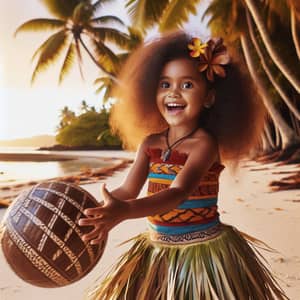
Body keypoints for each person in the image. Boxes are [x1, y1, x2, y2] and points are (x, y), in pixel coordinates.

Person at [78, 31, 289, 299]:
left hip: (203, 254)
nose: (173, 93)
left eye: (187, 85)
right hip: (157, 250)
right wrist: (99, 210)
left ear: (210, 97)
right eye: (164, 84)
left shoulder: (204, 144)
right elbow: (128, 190)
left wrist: (125, 212)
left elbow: (178, 193)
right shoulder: (150, 143)